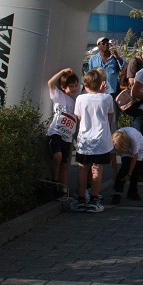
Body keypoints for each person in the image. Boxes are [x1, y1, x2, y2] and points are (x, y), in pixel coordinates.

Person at [72, 68, 115, 213]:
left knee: (82, 169)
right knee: (97, 169)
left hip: (84, 140)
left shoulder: (80, 98)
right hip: (101, 140)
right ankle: (95, 198)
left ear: (85, 85)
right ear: (101, 84)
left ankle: (81, 198)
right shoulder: (107, 98)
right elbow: (109, 117)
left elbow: (78, 118)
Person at [45, 67, 80, 198]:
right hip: (55, 132)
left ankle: (63, 189)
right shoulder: (59, 96)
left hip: (67, 136)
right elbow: (50, 83)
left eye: (75, 86)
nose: (74, 88)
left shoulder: (74, 102)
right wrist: (63, 71)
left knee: (65, 164)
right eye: (71, 86)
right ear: (64, 86)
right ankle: (54, 181)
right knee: (57, 156)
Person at [111, 126, 143, 203]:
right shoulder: (113, 141)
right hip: (123, 146)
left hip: (139, 146)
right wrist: (115, 173)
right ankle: (118, 192)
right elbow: (113, 157)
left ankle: (133, 191)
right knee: (124, 167)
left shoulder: (134, 140)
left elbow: (135, 157)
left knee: (136, 169)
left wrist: (129, 174)